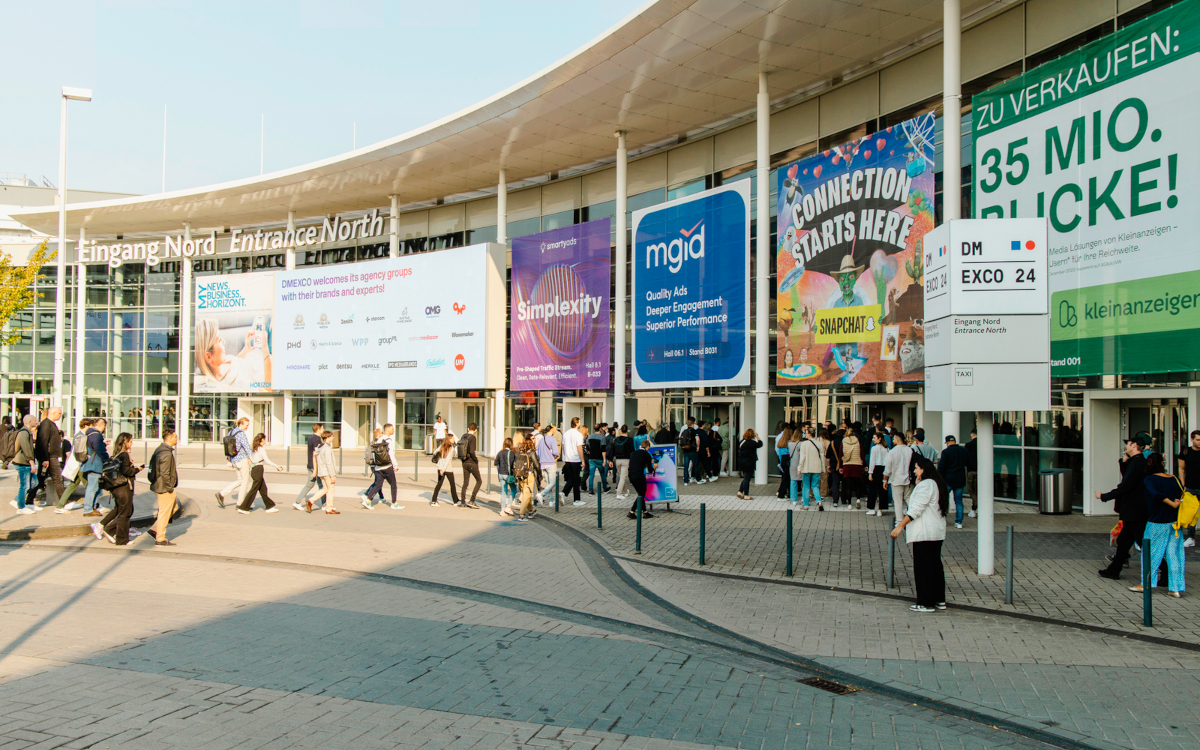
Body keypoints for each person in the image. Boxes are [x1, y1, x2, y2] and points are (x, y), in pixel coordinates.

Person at [890, 456, 948, 613]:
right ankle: (938, 599)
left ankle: (926, 602)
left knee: (923, 568)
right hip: (935, 532)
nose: (914, 471)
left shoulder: (925, 485)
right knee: (935, 566)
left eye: (916, 468)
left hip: (925, 533)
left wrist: (900, 525)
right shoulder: (936, 484)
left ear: (923, 469)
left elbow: (916, 509)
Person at [1128, 452, 1185, 597]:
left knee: (1151, 553)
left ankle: (1146, 584)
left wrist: (1171, 503)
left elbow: (1156, 495)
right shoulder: (1175, 479)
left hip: (1157, 521)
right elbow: (1182, 493)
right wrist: (1175, 502)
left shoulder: (1149, 479)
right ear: (1163, 464)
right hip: (1175, 523)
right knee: (1175, 554)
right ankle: (1175, 588)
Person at [1097, 436, 1149, 580]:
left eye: (1128, 444)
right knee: (1124, 541)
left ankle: (1166, 571)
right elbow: (1127, 477)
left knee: (1142, 541)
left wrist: (1104, 496)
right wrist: (1124, 462)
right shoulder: (1136, 462)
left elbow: (1125, 486)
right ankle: (1114, 570)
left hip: (1134, 510)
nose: (1125, 446)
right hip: (1133, 510)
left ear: (1134, 445)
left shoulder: (1137, 463)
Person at [90, 432, 142, 546]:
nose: (132, 443)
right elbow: (126, 471)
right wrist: (138, 469)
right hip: (124, 488)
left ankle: (109, 530)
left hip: (116, 488)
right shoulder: (124, 455)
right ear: (125, 442)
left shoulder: (115, 455)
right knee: (124, 514)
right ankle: (121, 539)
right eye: (130, 441)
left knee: (124, 510)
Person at [194, 319, 271, 391]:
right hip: (270, 365)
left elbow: (235, 364)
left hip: (256, 353)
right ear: (208, 356)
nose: (224, 341)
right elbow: (269, 390)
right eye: (219, 340)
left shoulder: (221, 367)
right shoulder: (240, 384)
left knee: (261, 316)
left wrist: (245, 350)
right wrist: (265, 350)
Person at [147, 429, 179, 546]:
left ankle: (155, 529)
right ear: (170, 439)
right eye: (175, 437)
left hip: (159, 485)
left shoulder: (160, 449)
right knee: (164, 512)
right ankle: (160, 537)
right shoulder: (165, 453)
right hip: (164, 487)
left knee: (173, 507)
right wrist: (170, 488)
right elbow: (165, 473)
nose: (177, 439)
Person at [237, 432, 282, 514]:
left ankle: (269, 506)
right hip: (258, 470)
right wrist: (277, 466)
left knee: (263, 490)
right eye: (265, 439)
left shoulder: (254, 448)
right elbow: (267, 461)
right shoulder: (261, 449)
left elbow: (250, 459)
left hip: (255, 470)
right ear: (263, 439)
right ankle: (243, 507)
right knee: (253, 490)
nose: (265, 440)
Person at [54, 417, 93, 512]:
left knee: (73, 485)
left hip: (78, 465)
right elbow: (79, 452)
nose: (92, 429)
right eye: (90, 426)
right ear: (85, 426)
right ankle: (92, 505)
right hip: (80, 465)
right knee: (88, 485)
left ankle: (60, 505)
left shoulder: (78, 435)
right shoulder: (81, 436)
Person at [33, 405, 65, 509]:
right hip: (49, 456)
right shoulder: (46, 424)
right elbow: (43, 442)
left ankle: (28, 499)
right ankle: (64, 501)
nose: (61, 415)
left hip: (51, 456)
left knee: (41, 479)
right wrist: (45, 458)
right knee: (57, 478)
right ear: (54, 413)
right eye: (59, 413)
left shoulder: (51, 424)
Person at [216, 417, 252, 508]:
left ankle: (222, 494)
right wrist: (252, 458)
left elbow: (227, 446)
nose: (247, 427)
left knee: (240, 480)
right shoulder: (241, 434)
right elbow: (247, 447)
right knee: (245, 482)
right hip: (242, 459)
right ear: (241, 424)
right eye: (246, 425)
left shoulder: (231, 432)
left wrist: (229, 460)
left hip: (234, 460)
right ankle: (240, 503)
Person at [363, 423, 401, 510]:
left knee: (377, 484)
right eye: (392, 429)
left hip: (378, 466)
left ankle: (368, 500)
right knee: (393, 484)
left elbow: (374, 453)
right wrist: (395, 465)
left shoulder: (379, 440)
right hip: (387, 466)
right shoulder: (388, 440)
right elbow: (390, 454)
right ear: (388, 430)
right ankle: (394, 503)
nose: (393, 430)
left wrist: (376, 464)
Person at [303, 431, 340, 514]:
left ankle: (310, 501)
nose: (333, 438)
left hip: (321, 472)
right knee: (331, 490)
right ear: (327, 437)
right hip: (327, 473)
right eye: (331, 436)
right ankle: (329, 508)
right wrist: (332, 475)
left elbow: (315, 458)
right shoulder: (326, 448)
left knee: (325, 489)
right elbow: (329, 463)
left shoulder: (320, 447)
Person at [937, 435, 969, 528]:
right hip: (960, 479)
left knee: (944, 500)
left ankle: (943, 519)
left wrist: (939, 479)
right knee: (959, 501)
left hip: (948, 479)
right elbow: (967, 463)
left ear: (947, 443)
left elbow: (941, 467)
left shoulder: (946, 452)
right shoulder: (964, 451)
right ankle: (959, 522)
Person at [294, 423, 326, 510]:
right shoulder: (317, 440)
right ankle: (324, 504)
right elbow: (315, 454)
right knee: (322, 485)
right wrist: (316, 468)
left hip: (310, 465)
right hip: (315, 466)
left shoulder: (311, 438)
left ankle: (297, 501)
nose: (323, 430)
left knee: (311, 484)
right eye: (322, 428)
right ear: (318, 429)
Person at [81, 418, 110, 516]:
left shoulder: (89, 433)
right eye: (104, 426)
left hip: (91, 463)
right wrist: (106, 459)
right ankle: (88, 509)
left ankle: (92, 507)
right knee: (93, 487)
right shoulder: (96, 435)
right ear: (102, 425)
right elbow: (99, 449)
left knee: (95, 487)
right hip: (95, 464)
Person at [9, 415, 37, 515]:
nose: (36, 421)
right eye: (35, 420)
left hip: (25, 462)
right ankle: (20, 507)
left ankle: (17, 500)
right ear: (29, 422)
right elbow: (26, 449)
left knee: (34, 482)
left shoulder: (27, 432)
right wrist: (32, 463)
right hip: (22, 462)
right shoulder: (24, 433)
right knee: (25, 485)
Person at [1177, 430, 1200, 548]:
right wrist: (1183, 484)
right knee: (1190, 513)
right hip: (1190, 486)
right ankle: (1191, 538)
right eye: (1198, 440)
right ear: (1192, 440)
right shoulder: (1186, 452)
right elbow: (1181, 468)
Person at [882, 432, 914, 517]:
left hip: (896, 479)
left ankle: (899, 519)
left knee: (898, 501)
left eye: (894, 439)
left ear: (898, 439)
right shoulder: (909, 450)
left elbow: (888, 469)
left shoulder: (892, 452)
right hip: (908, 478)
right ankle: (914, 514)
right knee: (908, 498)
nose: (892, 440)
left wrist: (885, 479)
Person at [627, 439, 657, 519]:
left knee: (641, 493)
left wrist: (646, 464)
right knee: (641, 494)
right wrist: (654, 466)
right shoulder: (646, 454)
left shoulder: (634, 453)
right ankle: (632, 511)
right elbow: (650, 470)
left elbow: (638, 464)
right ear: (647, 447)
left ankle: (645, 512)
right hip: (639, 475)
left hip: (630, 474)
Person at [430, 434, 460, 507]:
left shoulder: (442, 446)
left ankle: (433, 501)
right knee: (452, 485)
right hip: (447, 469)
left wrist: (440, 460)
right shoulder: (451, 448)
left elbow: (435, 452)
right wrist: (443, 469)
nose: (453, 439)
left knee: (439, 484)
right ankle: (455, 501)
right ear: (449, 439)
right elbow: (448, 459)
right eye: (452, 438)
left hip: (440, 468)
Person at [458, 422, 482, 509]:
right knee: (479, 481)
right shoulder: (473, 438)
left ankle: (462, 502)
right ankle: (472, 500)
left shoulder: (463, 436)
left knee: (465, 482)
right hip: (471, 462)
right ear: (475, 430)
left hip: (464, 462)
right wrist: (476, 460)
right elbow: (472, 451)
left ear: (468, 429)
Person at [562, 418, 585, 506]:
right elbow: (580, 449)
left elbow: (563, 447)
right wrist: (583, 460)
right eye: (579, 422)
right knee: (577, 480)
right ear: (577, 423)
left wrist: (566, 455)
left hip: (568, 460)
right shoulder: (578, 435)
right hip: (576, 460)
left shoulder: (566, 433)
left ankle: (565, 494)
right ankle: (575, 499)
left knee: (571, 478)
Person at [840, 425, 864, 508]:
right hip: (857, 465)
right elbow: (862, 454)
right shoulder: (858, 442)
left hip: (847, 466)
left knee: (848, 485)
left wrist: (840, 466)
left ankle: (849, 503)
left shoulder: (843, 442)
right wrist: (865, 464)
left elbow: (841, 454)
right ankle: (858, 499)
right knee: (857, 484)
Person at [535, 425, 560, 505]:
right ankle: (541, 494)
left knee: (549, 483)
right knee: (553, 482)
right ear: (552, 430)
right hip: (550, 463)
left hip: (543, 463)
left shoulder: (542, 439)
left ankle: (551, 501)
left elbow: (538, 453)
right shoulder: (552, 439)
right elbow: (555, 452)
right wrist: (557, 455)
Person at [865, 431, 889, 516]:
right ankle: (880, 509)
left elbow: (872, 461)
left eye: (874, 438)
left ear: (879, 438)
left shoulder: (874, 448)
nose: (873, 439)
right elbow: (887, 461)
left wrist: (870, 473)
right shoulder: (886, 448)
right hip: (884, 469)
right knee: (882, 490)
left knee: (873, 490)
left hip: (875, 469)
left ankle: (872, 508)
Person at [737, 429, 762, 500]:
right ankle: (746, 495)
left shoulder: (742, 442)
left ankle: (740, 491)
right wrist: (757, 437)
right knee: (747, 478)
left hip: (742, 461)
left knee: (745, 477)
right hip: (749, 462)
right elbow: (760, 444)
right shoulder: (752, 443)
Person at [586, 424, 610, 495]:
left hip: (591, 458)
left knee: (591, 475)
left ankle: (591, 490)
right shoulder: (602, 438)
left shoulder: (589, 437)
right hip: (599, 458)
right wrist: (605, 460)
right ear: (600, 429)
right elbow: (603, 450)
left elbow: (587, 448)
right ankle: (605, 488)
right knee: (602, 474)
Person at [680, 417, 703, 487]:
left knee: (686, 465)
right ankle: (698, 479)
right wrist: (698, 447)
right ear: (692, 424)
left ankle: (686, 481)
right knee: (695, 465)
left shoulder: (684, 431)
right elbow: (698, 440)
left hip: (685, 450)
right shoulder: (694, 431)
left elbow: (680, 440)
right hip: (693, 450)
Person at [496, 437, 517, 515]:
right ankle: (508, 507)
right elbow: (513, 464)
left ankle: (502, 510)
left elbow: (495, 462)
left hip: (501, 474)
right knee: (514, 490)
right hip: (508, 475)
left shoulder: (500, 452)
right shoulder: (511, 453)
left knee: (503, 492)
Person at [612, 425, 634, 499]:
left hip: (617, 459)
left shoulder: (616, 439)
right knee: (623, 477)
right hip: (626, 459)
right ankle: (619, 493)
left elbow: (612, 450)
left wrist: (610, 460)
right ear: (627, 431)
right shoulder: (630, 440)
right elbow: (632, 450)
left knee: (621, 476)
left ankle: (625, 491)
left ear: (621, 430)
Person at [774, 424, 793, 498]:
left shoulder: (781, 442)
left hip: (783, 459)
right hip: (788, 459)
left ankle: (787, 493)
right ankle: (781, 494)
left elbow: (778, 452)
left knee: (785, 477)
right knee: (786, 478)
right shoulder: (790, 443)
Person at [965, 428, 978, 518]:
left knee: (971, 490)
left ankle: (976, 505)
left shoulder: (968, 445)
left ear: (972, 435)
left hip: (971, 470)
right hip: (980, 471)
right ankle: (974, 508)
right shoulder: (983, 444)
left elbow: (966, 458)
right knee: (977, 490)